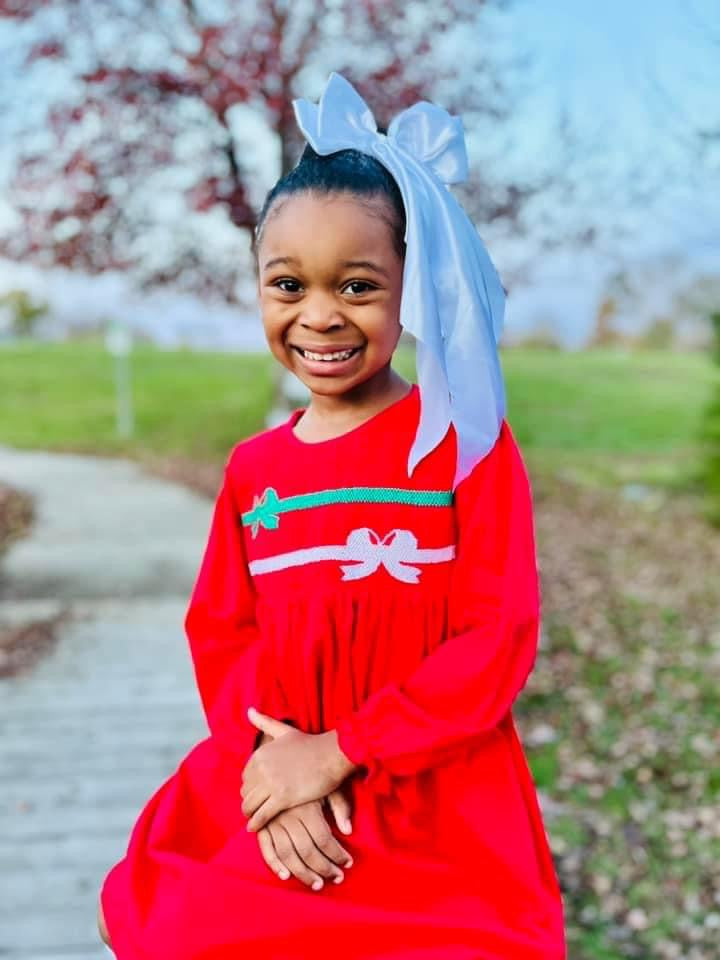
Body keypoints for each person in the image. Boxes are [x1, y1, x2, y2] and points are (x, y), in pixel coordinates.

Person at [98, 73, 566, 958]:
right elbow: (223, 633)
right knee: (166, 918)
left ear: (411, 285)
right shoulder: (254, 471)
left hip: (436, 802)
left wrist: (343, 748)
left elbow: (493, 635)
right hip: (293, 800)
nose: (319, 315)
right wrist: (277, 772)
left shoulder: (464, 448)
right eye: (287, 284)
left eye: (357, 286)